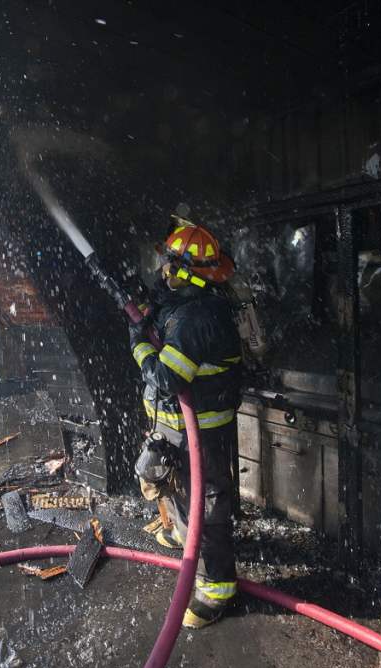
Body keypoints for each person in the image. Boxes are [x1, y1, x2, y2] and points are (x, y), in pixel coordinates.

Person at [129, 217, 244, 629]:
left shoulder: (199, 316)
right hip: (177, 428)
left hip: (203, 435)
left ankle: (217, 590)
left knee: (207, 507)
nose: (162, 270)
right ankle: (183, 535)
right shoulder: (184, 305)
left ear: (184, 272)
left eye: (169, 264)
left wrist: (138, 341)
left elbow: (168, 377)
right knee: (181, 493)